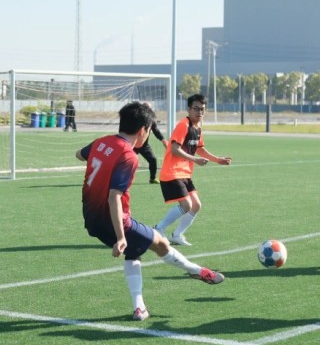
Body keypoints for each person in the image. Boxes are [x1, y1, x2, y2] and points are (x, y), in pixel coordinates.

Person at [75, 101, 224, 322]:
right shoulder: (128, 156)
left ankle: (139, 307)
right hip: (115, 221)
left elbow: (79, 154)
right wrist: (121, 237)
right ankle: (197, 271)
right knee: (160, 243)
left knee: (134, 252)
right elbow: (114, 197)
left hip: (91, 218)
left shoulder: (101, 142)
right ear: (143, 130)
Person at [154, 94, 232, 246]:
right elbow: (175, 149)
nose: (199, 112)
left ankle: (177, 235)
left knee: (196, 205)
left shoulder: (197, 128)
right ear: (189, 109)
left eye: (202, 109)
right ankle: (158, 229)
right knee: (186, 205)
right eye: (196, 109)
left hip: (184, 174)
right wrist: (195, 159)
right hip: (172, 173)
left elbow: (200, 149)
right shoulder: (183, 125)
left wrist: (218, 160)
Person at [134, 118, 168, 184]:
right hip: (132, 144)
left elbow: (156, 130)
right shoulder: (135, 117)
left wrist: (163, 140)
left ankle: (152, 178)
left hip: (144, 145)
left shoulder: (150, 119)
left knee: (153, 159)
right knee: (126, 161)